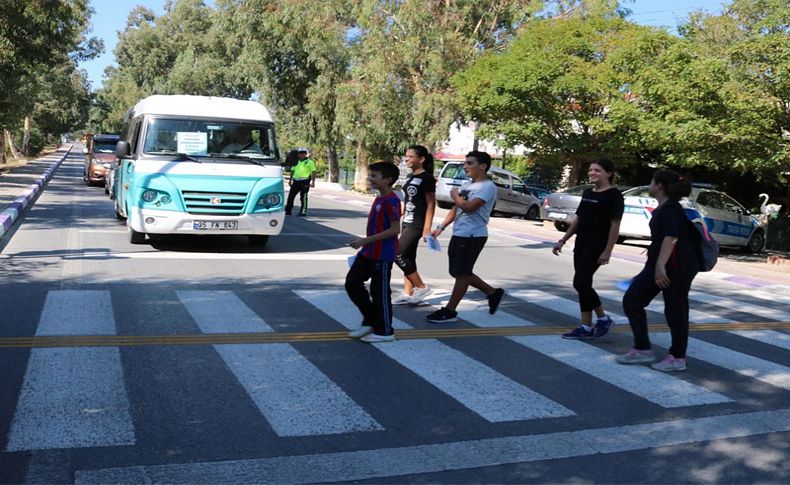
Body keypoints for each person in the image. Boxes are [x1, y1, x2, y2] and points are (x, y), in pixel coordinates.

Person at [616, 170, 699, 372]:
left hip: (676, 267)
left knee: (675, 310)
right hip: (660, 264)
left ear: (660, 186)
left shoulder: (671, 209)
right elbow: (664, 238)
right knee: (633, 300)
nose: (650, 184)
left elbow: (671, 238)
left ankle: (678, 357)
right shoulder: (666, 207)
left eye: (652, 181)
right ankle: (643, 348)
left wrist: (661, 266)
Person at [425, 151, 504, 322]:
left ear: (482, 166)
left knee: (462, 273)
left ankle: (450, 310)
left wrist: (454, 195)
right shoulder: (467, 185)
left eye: (470, 163)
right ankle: (492, 293)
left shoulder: (488, 187)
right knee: (458, 271)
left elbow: (469, 207)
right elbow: (457, 209)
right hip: (460, 233)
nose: (465, 166)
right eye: (465, 163)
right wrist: (441, 227)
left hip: (473, 235)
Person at [553, 159, 624, 339]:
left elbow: (615, 225)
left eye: (597, 170)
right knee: (584, 285)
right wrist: (563, 240)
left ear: (608, 173)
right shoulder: (587, 192)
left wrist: (608, 250)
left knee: (580, 283)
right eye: (591, 170)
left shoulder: (614, 195)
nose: (592, 173)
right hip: (581, 243)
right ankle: (585, 326)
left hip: (597, 246)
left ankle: (603, 318)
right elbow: (579, 219)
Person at [346, 162, 402, 343]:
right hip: (368, 252)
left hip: (382, 254)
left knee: (380, 293)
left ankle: (385, 331)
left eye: (374, 176)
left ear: (388, 180)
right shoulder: (379, 198)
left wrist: (364, 241)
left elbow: (395, 230)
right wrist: (364, 245)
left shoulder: (392, 200)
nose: (369, 178)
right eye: (370, 175)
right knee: (352, 283)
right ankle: (370, 319)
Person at [392, 145, 436, 305]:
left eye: (410, 156)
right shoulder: (410, 176)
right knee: (409, 257)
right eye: (406, 156)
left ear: (421, 159)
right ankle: (408, 293)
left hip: (417, 224)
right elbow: (408, 200)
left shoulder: (428, 178)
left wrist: (426, 229)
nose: (407, 159)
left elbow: (431, 204)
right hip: (406, 221)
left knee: (396, 254)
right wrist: (397, 216)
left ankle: (421, 287)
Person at [285, 148, 316, 216]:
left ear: (306, 153)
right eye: (300, 152)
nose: (302, 154)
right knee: (291, 196)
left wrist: (313, 182)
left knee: (303, 197)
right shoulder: (296, 162)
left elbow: (313, 171)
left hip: (305, 181)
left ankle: (303, 211)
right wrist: (290, 179)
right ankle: (288, 211)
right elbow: (292, 170)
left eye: (303, 152)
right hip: (296, 181)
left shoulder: (309, 162)